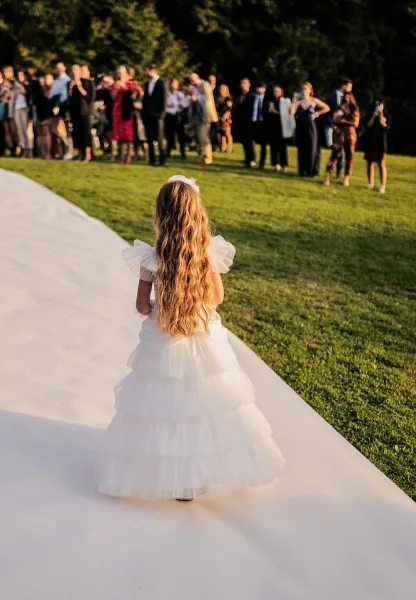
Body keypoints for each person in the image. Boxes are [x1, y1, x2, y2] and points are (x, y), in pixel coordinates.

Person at [97, 175, 286, 501]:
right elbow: (217, 296)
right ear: (197, 212)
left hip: (163, 336)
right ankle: (205, 467)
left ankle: (177, 477)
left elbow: (143, 307)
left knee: (165, 405)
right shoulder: (205, 252)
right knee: (206, 399)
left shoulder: (151, 257)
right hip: (202, 332)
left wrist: (162, 305)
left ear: (161, 214)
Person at [290, 82, 330, 177]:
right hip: (300, 127)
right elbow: (291, 112)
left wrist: (317, 114)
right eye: (303, 88)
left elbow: (327, 108)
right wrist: (293, 101)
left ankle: (310, 171)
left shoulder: (314, 100)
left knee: (311, 148)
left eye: (306, 88)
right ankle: (302, 171)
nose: (304, 90)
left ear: (310, 90)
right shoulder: (299, 102)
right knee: (301, 148)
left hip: (311, 127)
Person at [324, 98, 360, 187]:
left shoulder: (355, 109)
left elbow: (356, 123)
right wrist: (345, 120)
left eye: (349, 97)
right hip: (339, 134)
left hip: (351, 135)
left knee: (350, 156)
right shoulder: (340, 108)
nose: (347, 99)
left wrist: (344, 121)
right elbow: (335, 119)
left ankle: (346, 178)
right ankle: (327, 176)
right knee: (335, 154)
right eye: (346, 97)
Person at [111, 65, 139, 165]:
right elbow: (113, 98)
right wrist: (117, 88)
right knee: (120, 135)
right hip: (117, 110)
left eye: (122, 71)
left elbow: (135, 95)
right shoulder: (115, 84)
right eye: (118, 71)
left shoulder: (131, 84)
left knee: (128, 135)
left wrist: (125, 88)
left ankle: (129, 156)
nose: (120, 73)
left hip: (127, 111)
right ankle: (122, 156)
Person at [188, 72, 217, 165]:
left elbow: (207, 99)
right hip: (197, 115)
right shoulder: (196, 86)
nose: (191, 83)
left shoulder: (205, 84)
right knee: (199, 136)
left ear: (197, 78)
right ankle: (202, 156)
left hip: (205, 115)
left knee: (204, 137)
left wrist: (196, 98)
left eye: (192, 80)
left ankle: (208, 158)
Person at [140, 63, 166, 167]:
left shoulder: (161, 83)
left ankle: (162, 160)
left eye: (147, 70)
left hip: (157, 115)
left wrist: (161, 115)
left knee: (159, 138)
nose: (146, 72)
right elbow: (145, 100)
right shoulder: (147, 84)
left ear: (153, 70)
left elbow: (164, 100)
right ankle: (152, 160)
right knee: (149, 139)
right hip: (148, 116)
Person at [68, 63, 95, 162]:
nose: (74, 71)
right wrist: (71, 88)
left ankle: (88, 155)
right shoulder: (70, 83)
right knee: (77, 133)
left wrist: (79, 86)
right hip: (74, 111)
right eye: (72, 69)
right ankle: (80, 154)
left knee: (86, 133)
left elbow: (88, 96)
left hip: (84, 111)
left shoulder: (86, 82)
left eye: (76, 69)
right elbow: (69, 97)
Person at [363, 102, 390, 193]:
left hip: (381, 143)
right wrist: (374, 116)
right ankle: (370, 183)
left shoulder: (387, 116)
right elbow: (368, 126)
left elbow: (386, 127)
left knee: (381, 163)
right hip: (371, 141)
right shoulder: (371, 115)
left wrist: (381, 117)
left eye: (380, 106)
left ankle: (383, 185)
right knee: (370, 162)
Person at [267, 86, 293, 171]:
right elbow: (270, 111)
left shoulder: (285, 101)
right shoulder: (271, 101)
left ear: (281, 92)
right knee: (274, 146)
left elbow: (287, 114)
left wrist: (276, 112)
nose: (276, 93)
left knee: (282, 146)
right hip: (273, 125)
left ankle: (284, 164)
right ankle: (276, 163)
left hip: (282, 126)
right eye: (275, 91)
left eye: (278, 91)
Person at [232, 78, 256, 167]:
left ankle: (252, 159)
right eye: (241, 83)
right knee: (244, 141)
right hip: (241, 122)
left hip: (249, 122)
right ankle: (247, 159)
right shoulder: (239, 95)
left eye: (244, 83)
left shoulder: (252, 96)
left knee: (249, 141)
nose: (242, 84)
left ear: (249, 84)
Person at [164, 78, 186, 160]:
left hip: (177, 115)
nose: (174, 86)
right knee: (169, 135)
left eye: (176, 84)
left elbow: (183, 104)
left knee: (181, 135)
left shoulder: (179, 94)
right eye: (173, 84)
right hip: (169, 115)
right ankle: (168, 152)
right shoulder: (167, 95)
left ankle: (183, 153)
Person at [13, 70, 32, 157]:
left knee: (26, 130)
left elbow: (30, 96)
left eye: (21, 75)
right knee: (20, 131)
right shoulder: (16, 86)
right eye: (18, 75)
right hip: (17, 108)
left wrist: (24, 91)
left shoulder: (28, 85)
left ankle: (29, 149)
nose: (20, 77)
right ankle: (23, 148)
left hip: (25, 108)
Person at [216, 84, 233, 153]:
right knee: (222, 133)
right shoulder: (217, 98)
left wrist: (225, 116)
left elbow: (229, 109)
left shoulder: (228, 98)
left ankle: (230, 148)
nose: (221, 90)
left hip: (227, 118)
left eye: (223, 89)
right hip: (219, 117)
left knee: (227, 133)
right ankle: (223, 148)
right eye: (220, 89)